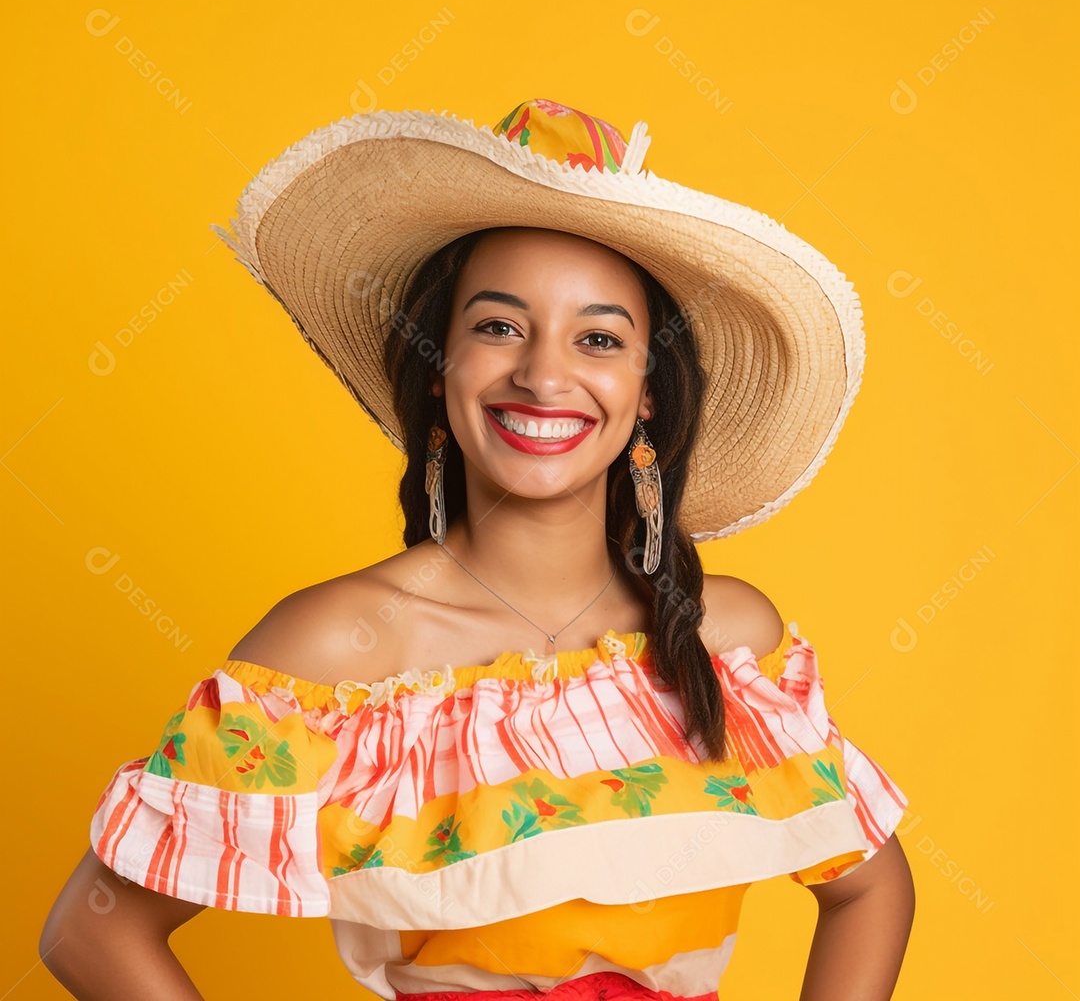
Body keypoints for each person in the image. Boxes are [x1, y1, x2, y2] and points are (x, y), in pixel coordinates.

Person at [40, 98, 915, 999]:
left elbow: (870, 888)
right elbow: (91, 933)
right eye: (498, 327)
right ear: (438, 364)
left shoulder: (725, 638)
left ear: (647, 392)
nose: (542, 375)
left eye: (600, 339)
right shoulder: (338, 653)